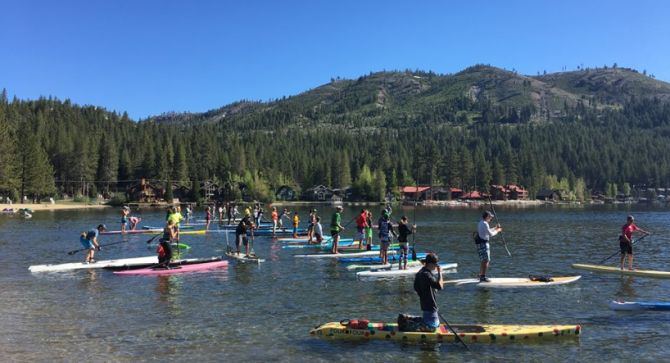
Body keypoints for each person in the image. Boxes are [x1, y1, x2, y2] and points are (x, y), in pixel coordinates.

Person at [413, 253, 444, 331]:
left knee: (427, 321)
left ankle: (424, 325)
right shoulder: (427, 274)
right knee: (436, 326)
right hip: (431, 307)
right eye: (435, 264)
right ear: (430, 264)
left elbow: (416, 288)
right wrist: (440, 273)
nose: (436, 266)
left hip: (424, 306)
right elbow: (440, 286)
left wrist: (426, 292)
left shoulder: (419, 273)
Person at [476, 211, 502, 282]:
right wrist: (498, 231)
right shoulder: (485, 224)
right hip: (484, 244)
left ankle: (480, 275)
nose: (491, 218)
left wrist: (495, 228)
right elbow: (490, 234)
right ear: (487, 217)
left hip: (480, 244)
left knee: (483, 260)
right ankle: (483, 277)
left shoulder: (481, 222)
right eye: (490, 217)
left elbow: (487, 231)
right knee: (486, 260)